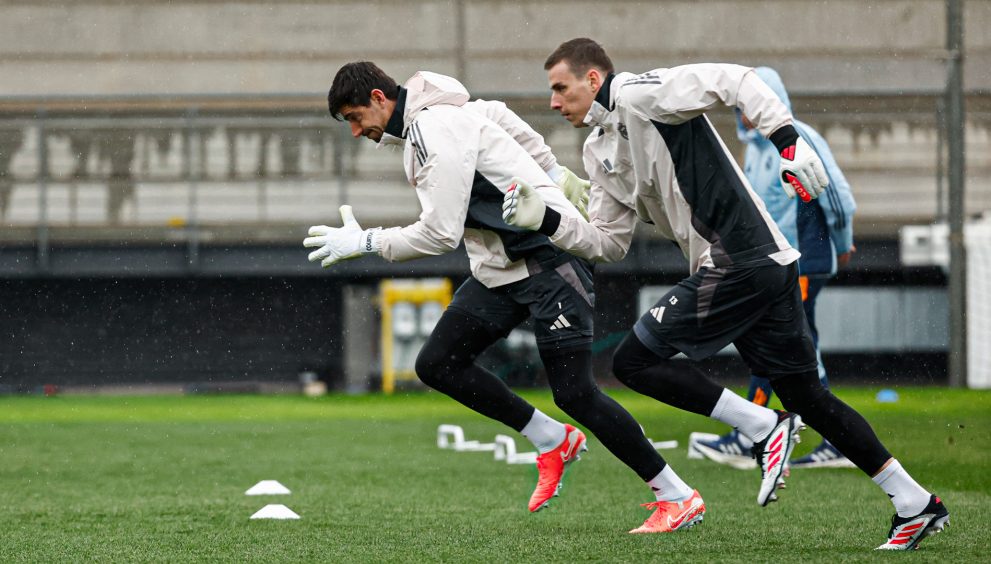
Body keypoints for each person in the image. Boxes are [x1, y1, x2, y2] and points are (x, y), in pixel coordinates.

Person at [503, 38, 949, 550]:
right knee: (808, 396)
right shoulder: (597, 150)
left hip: (741, 258)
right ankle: (915, 503)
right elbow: (609, 243)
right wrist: (550, 220)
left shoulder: (643, 94)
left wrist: (787, 140)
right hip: (762, 265)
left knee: (633, 362)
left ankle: (762, 426)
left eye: (561, 88)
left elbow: (738, 80)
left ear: (594, 80)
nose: (554, 102)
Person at [307, 61, 705, 533]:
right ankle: (551, 440)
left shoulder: (434, 125)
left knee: (576, 393)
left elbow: (439, 234)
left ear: (379, 98)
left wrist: (366, 243)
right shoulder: (442, 116)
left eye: (355, 117)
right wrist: (557, 175)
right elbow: (508, 124)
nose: (356, 132)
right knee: (438, 363)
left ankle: (677, 495)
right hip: (503, 269)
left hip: (549, 260)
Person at [694, 67, 858, 471]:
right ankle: (772, 433)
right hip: (775, 265)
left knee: (787, 343)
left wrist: (842, 243)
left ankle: (770, 435)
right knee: (784, 342)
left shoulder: (798, 136)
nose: (747, 113)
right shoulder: (753, 146)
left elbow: (837, 197)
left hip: (804, 260)